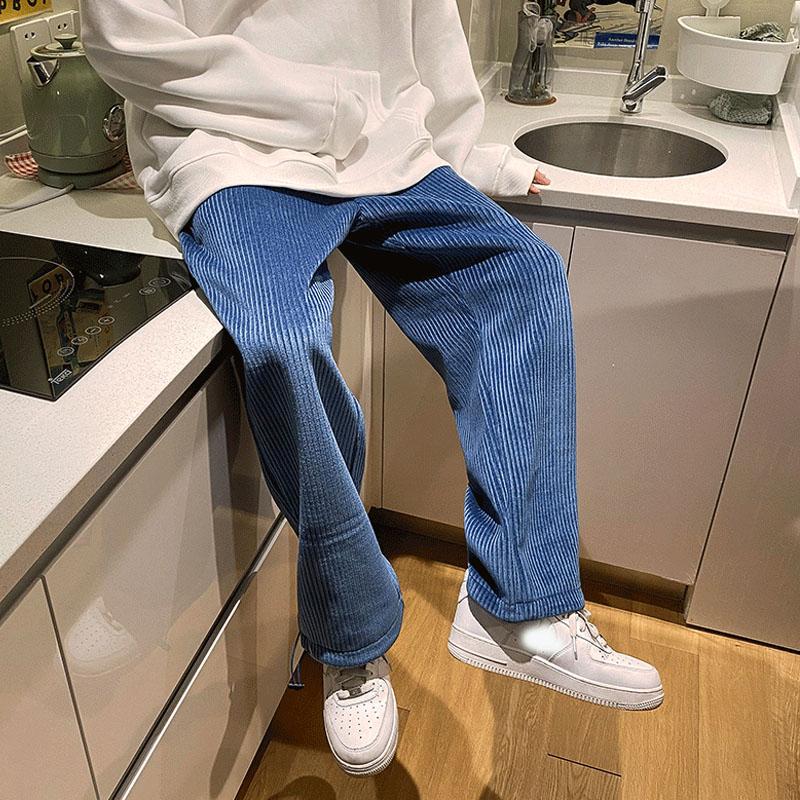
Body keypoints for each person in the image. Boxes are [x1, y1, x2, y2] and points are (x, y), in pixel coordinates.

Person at [78, 0, 664, 778]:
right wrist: (319, 104)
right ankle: (352, 635)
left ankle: (520, 608)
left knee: (522, 277)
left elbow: (431, 41)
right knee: (281, 340)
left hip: (386, 148)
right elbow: (122, 37)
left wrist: (468, 160)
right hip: (235, 154)